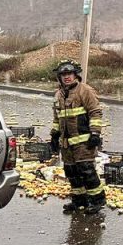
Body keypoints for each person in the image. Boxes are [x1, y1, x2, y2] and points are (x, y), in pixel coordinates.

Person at [49, 59, 106, 214]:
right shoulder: (58, 94)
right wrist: (54, 135)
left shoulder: (85, 91)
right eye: (63, 74)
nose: (67, 77)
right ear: (59, 77)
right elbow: (57, 117)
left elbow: (95, 112)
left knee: (87, 171)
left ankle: (97, 201)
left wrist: (95, 133)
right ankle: (79, 201)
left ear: (75, 75)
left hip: (84, 142)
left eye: (70, 74)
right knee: (72, 172)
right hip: (67, 144)